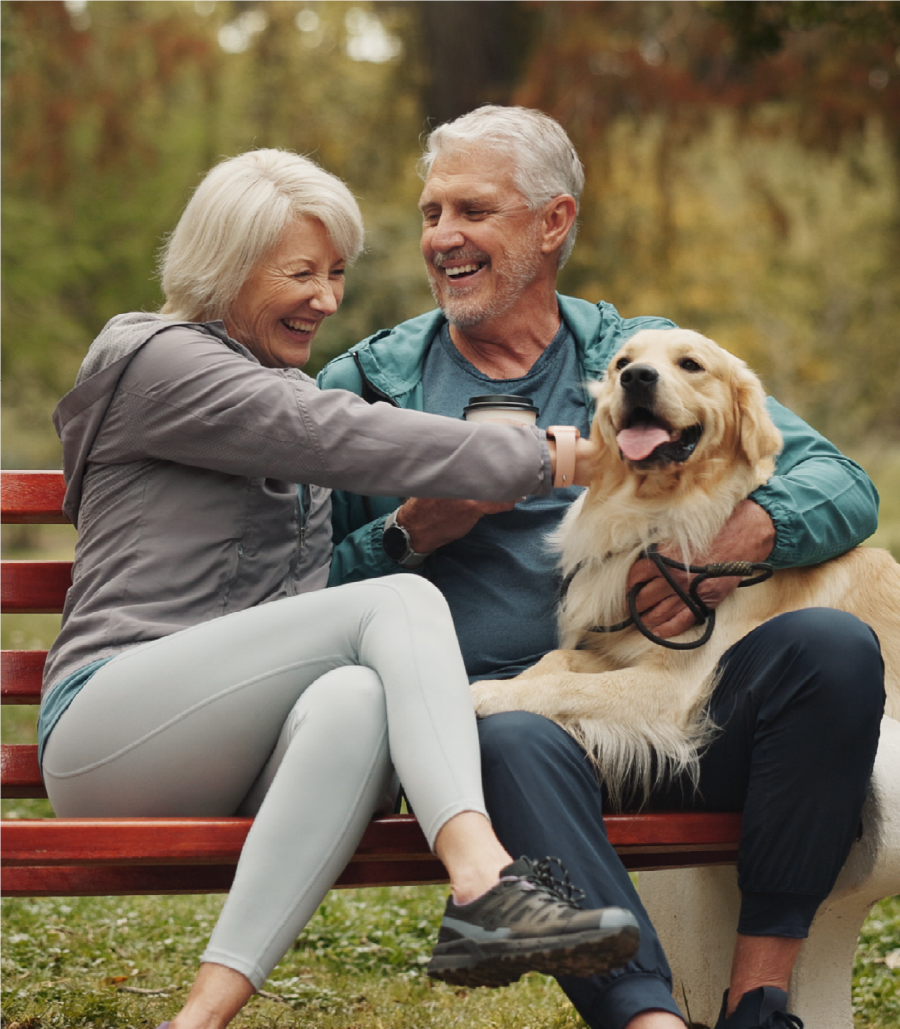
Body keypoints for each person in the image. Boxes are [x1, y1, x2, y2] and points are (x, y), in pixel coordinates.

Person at [38, 147, 644, 1029]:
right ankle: (483, 877)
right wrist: (558, 454)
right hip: (108, 734)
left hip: (222, 741)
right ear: (226, 268)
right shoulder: (155, 359)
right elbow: (337, 433)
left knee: (359, 697)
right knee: (398, 604)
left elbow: (299, 598)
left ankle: (196, 1020)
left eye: (336, 274)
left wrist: (404, 534)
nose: (327, 299)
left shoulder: (276, 387)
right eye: (300, 273)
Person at [318, 106, 886, 1029]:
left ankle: (760, 999)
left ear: (553, 223)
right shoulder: (371, 388)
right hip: (499, 733)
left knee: (830, 645)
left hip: (674, 703)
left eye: (473, 209)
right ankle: (646, 1017)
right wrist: (407, 534)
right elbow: (289, 592)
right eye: (431, 214)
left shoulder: (638, 354)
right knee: (511, 732)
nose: (443, 237)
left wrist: (727, 543)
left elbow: (841, 482)